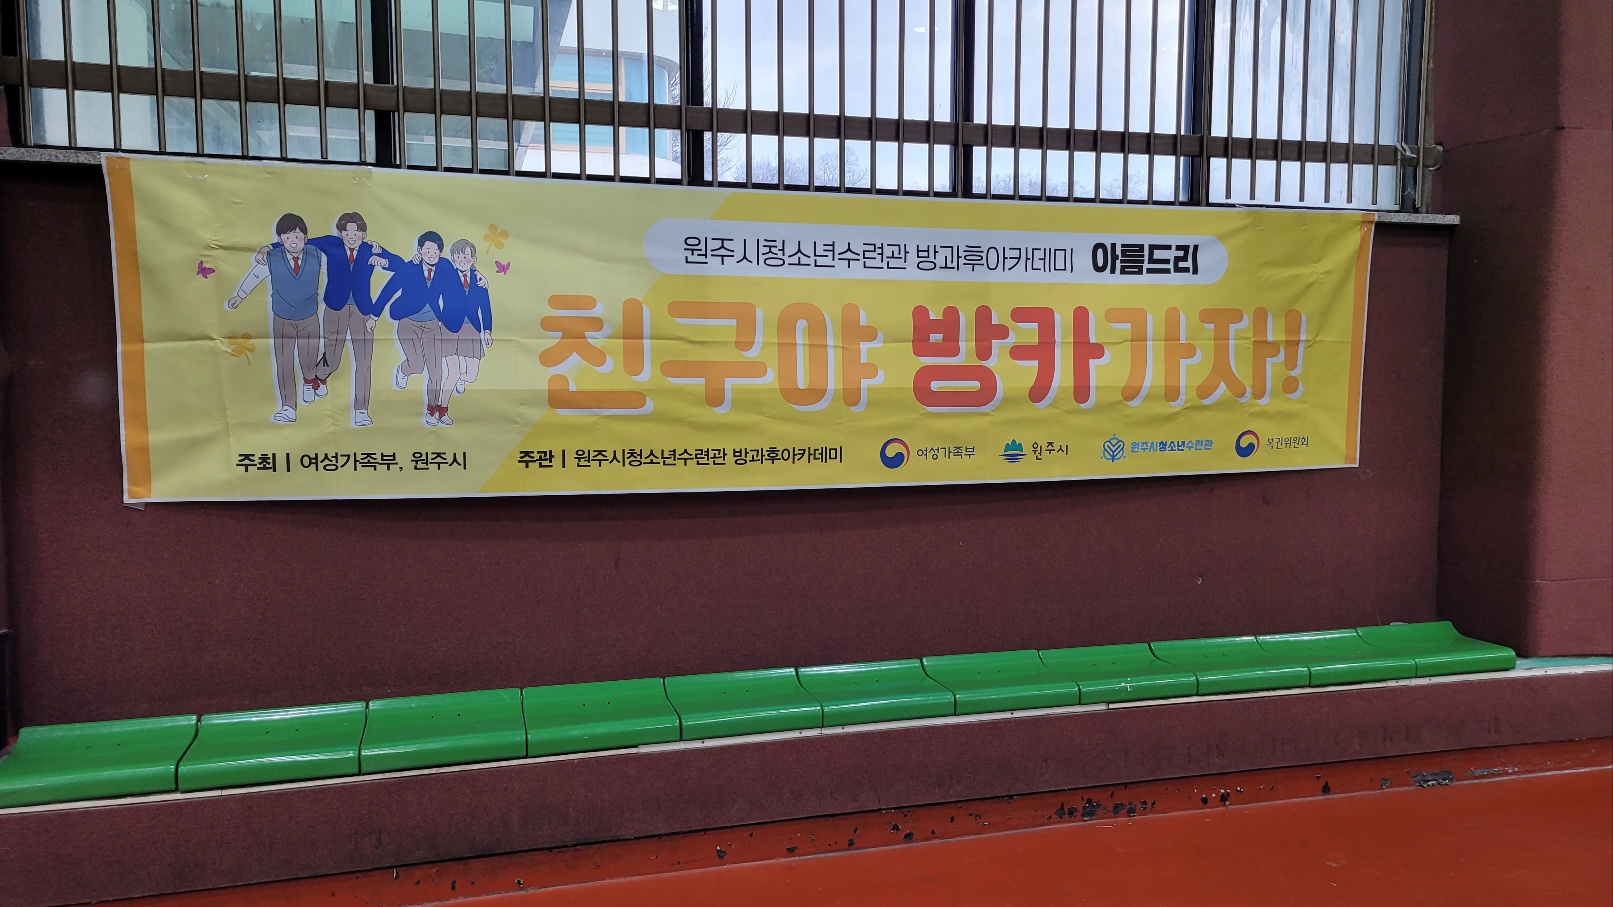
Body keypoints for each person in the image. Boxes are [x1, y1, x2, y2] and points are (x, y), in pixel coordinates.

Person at [255, 213, 387, 427]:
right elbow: (298, 242)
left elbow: (398, 265)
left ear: (364, 234)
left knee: (364, 363)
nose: (351, 236)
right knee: (333, 359)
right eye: (347, 232)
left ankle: (361, 410)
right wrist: (268, 247)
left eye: (356, 232)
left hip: (363, 311)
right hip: (335, 308)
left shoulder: (370, 248)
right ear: (340, 233)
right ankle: (317, 376)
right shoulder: (330, 243)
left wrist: (384, 259)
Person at [226, 213, 325, 424]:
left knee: (309, 359)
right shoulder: (272, 258)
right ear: (280, 239)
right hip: (282, 319)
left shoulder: (317, 254)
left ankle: (309, 380)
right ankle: (288, 407)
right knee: (284, 362)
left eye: (297, 236)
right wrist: (239, 296)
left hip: (309, 318)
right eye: (288, 237)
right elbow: (254, 276)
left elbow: (339, 269)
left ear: (306, 238)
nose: (293, 241)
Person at [372, 232, 452, 427]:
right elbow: (388, 290)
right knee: (417, 365)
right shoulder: (409, 268)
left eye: (436, 250)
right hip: (408, 323)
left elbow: (461, 275)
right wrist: (374, 317)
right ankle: (403, 370)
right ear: (419, 250)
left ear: (440, 253)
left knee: (436, 370)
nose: (432, 254)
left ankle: (432, 408)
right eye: (427, 250)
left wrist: (478, 275)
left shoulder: (445, 267)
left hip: (432, 324)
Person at [436, 239, 494, 425]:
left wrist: (487, 331)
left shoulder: (479, 280)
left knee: (472, 374)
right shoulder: (446, 275)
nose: (462, 260)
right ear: (453, 258)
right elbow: (434, 295)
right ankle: (442, 410)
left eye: (466, 256)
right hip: (449, 327)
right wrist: (439, 318)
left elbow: (485, 308)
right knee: (452, 373)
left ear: (473, 259)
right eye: (458, 256)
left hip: (472, 328)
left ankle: (463, 381)